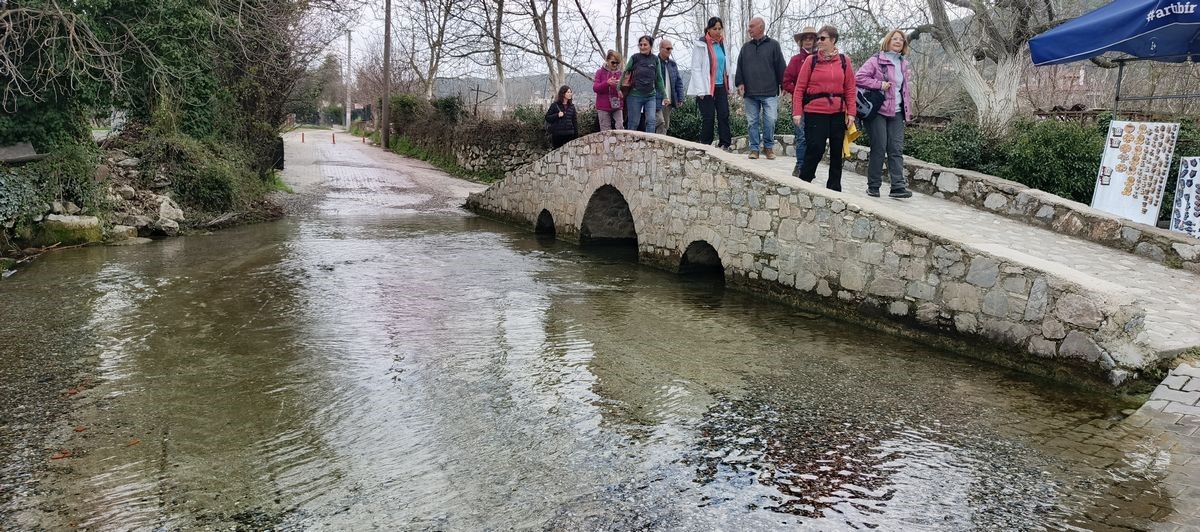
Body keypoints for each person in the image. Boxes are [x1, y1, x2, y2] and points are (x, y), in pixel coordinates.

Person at [792, 25, 855, 191]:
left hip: (838, 113)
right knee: (816, 149)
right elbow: (799, 88)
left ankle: (834, 188)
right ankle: (804, 182)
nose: (818, 41)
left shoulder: (844, 61)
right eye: (818, 38)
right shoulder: (810, 61)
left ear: (833, 40)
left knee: (837, 152)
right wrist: (797, 112)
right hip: (815, 112)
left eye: (822, 38)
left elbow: (850, 88)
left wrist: (852, 113)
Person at [856, 29, 914, 198]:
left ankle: (897, 187)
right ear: (888, 41)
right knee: (879, 147)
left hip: (897, 111)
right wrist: (879, 84)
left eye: (901, 40)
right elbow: (858, 77)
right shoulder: (876, 60)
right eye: (895, 39)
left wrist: (907, 112)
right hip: (878, 111)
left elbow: (904, 91)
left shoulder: (903, 63)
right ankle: (873, 186)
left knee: (896, 149)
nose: (898, 41)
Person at [735, 17, 787, 160]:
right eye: (749, 26)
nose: (749, 29)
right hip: (750, 93)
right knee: (752, 122)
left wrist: (784, 84)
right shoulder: (745, 48)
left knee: (770, 120)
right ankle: (754, 149)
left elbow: (781, 66)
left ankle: (768, 148)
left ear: (761, 27)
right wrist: (740, 83)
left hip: (770, 92)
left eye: (751, 26)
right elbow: (739, 67)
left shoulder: (774, 45)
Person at [688, 17, 733, 150]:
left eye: (720, 28)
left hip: (721, 86)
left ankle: (725, 144)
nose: (718, 31)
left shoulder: (723, 44)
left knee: (724, 115)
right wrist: (700, 90)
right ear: (708, 29)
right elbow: (696, 68)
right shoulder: (701, 45)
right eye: (715, 29)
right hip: (706, 88)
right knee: (708, 117)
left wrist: (729, 85)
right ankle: (705, 145)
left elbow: (726, 67)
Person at [782, 26, 818, 176]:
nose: (808, 41)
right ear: (801, 41)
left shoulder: (820, 59)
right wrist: (798, 91)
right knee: (801, 136)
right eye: (805, 38)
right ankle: (800, 166)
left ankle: (809, 167)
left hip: (816, 104)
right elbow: (786, 82)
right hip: (800, 104)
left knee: (814, 137)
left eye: (811, 38)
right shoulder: (796, 60)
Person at [624, 35, 667, 133]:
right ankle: (631, 142)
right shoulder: (634, 58)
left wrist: (665, 96)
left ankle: (649, 141)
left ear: (650, 46)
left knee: (651, 121)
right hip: (634, 95)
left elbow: (659, 79)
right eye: (640, 45)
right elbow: (625, 73)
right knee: (634, 123)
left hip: (650, 96)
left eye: (645, 45)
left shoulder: (655, 60)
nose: (642, 47)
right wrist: (619, 89)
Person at [655, 39, 685, 135]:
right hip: (656, 98)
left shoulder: (673, 64)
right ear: (660, 49)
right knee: (659, 122)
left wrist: (680, 97)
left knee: (665, 125)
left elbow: (678, 82)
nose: (670, 51)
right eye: (668, 48)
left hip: (669, 100)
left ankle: (660, 142)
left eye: (671, 48)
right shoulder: (654, 62)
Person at [593, 50, 625, 131]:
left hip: (617, 105)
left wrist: (622, 91)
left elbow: (625, 90)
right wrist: (607, 83)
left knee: (620, 126)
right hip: (603, 106)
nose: (615, 65)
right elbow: (595, 88)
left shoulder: (621, 74)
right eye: (613, 62)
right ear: (607, 60)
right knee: (606, 131)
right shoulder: (599, 72)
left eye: (617, 63)